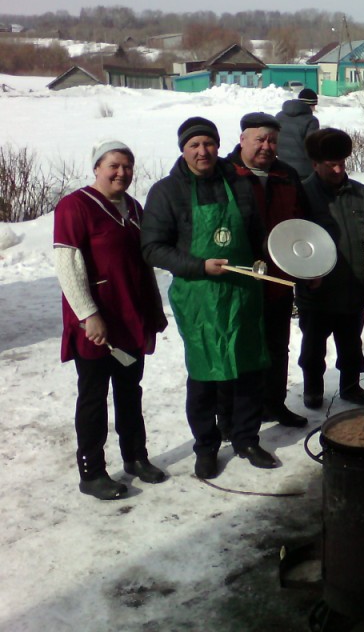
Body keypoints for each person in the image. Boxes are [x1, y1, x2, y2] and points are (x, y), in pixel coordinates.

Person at [141, 117, 277, 479]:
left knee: (248, 368)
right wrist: (200, 266)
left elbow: (256, 233)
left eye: (209, 144)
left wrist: (265, 256)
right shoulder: (166, 191)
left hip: (242, 291)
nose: (203, 151)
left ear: (218, 146)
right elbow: (153, 248)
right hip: (198, 295)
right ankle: (206, 446)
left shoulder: (239, 183)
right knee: (205, 375)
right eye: (194, 145)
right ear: (183, 150)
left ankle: (247, 438)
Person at [54, 140, 169, 500]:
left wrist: (152, 309)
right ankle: (92, 472)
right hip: (96, 322)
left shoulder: (133, 208)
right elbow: (67, 265)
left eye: (128, 166)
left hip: (129, 316)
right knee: (93, 396)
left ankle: (136, 456)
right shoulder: (75, 206)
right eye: (114, 166)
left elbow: (142, 261)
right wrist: (89, 315)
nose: (122, 173)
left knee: (129, 390)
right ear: (97, 168)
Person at [226, 112, 309, 428]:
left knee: (277, 345)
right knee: (238, 346)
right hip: (239, 279)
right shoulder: (226, 174)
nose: (266, 145)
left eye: (272, 140)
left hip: (278, 278)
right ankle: (232, 414)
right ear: (243, 138)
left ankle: (274, 403)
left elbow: (301, 221)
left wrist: (305, 266)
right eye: (259, 138)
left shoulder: (287, 174)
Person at [297, 128, 364, 408]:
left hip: (353, 287)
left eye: (342, 162)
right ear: (315, 164)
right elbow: (293, 242)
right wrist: (305, 277)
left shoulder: (362, 195)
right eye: (331, 164)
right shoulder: (301, 195)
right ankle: (313, 389)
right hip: (317, 292)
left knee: (351, 343)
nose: (338, 168)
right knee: (314, 346)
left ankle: (351, 386)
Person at [275, 87, 320, 178]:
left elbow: (274, 141)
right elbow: (312, 148)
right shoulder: (311, 121)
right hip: (304, 172)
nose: (314, 109)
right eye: (314, 105)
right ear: (310, 105)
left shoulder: (279, 117)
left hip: (281, 169)